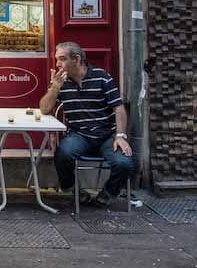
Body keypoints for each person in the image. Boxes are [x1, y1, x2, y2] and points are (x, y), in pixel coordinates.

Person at [39, 42, 135, 207]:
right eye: (57, 60)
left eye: (62, 59)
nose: (57, 64)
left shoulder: (101, 77)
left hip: (106, 135)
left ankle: (107, 194)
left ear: (76, 59)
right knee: (63, 154)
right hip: (79, 135)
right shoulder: (62, 82)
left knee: (124, 163)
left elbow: (118, 108)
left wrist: (120, 136)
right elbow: (44, 109)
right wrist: (55, 87)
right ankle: (75, 192)